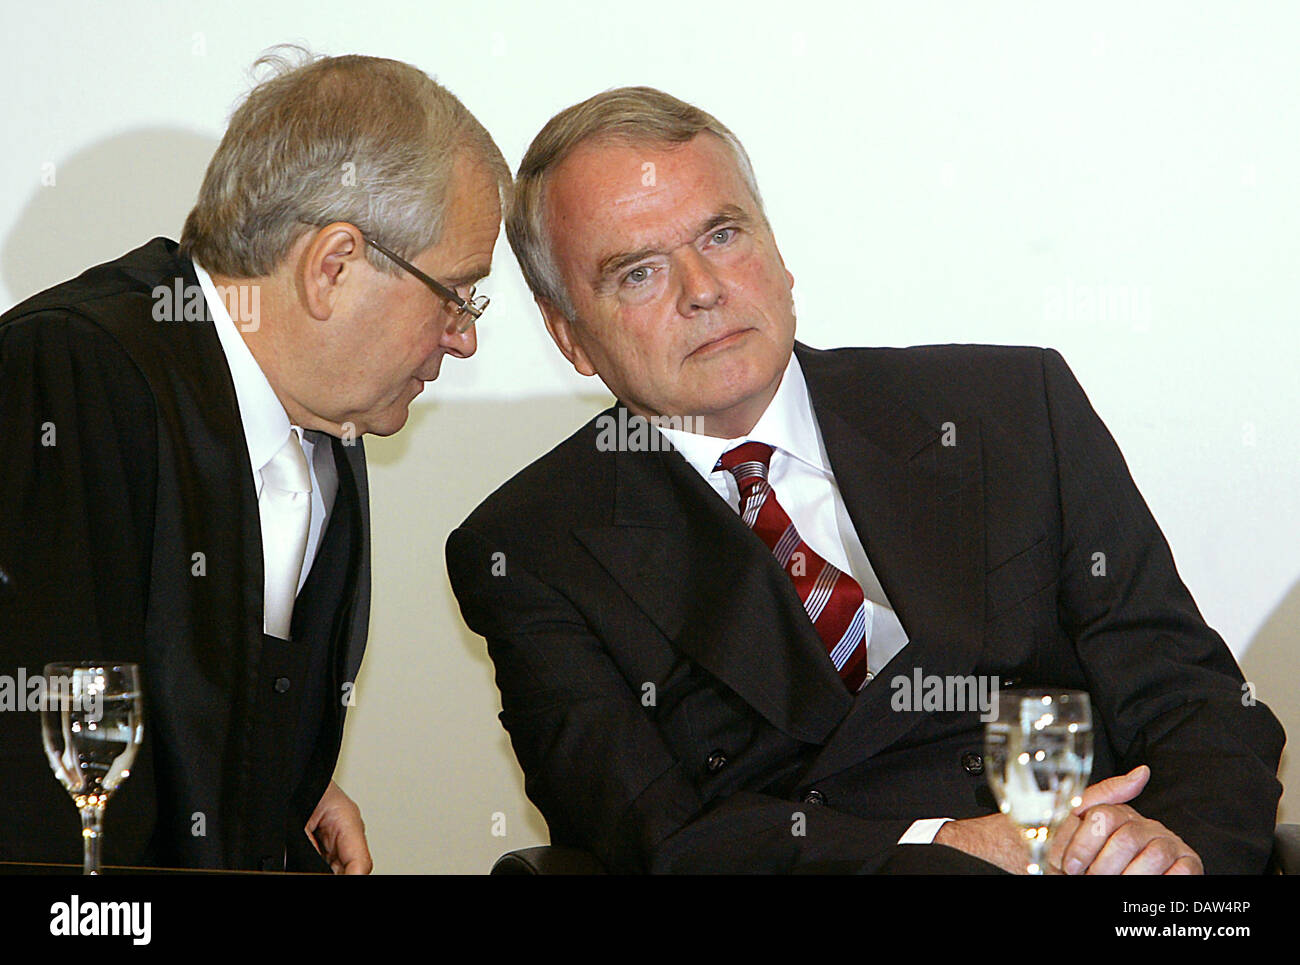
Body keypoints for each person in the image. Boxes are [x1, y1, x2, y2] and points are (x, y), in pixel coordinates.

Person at [446, 86, 1284, 874]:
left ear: (779, 255)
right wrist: (945, 846)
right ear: (571, 338)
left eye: (723, 235)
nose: (703, 291)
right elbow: (656, 838)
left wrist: (1174, 856)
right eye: (639, 272)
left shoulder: (1008, 409)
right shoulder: (532, 547)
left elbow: (1197, 701)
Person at [0, 48, 509, 872]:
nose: (464, 334)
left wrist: (282, 783)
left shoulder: (327, 425)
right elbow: (42, 798)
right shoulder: (71, 377)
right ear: (333, 266)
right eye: (455, 292)